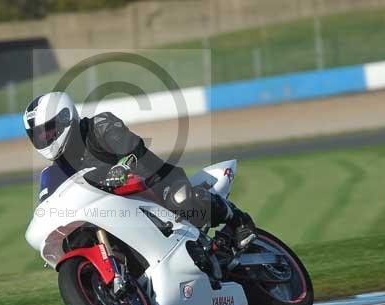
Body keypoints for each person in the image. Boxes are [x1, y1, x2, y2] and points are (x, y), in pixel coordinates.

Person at [23, 91, 256, 248]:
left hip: (153, 182)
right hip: (114, 211)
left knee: (181, 200)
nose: (47, 138)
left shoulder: (99, 127)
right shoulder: (52, 173)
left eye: (50, 130)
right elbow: (49, 206)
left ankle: (238, 221)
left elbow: (133, 148)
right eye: (40, 135)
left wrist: (122, 166)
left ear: (66, 118)